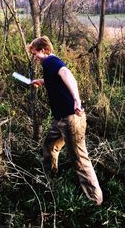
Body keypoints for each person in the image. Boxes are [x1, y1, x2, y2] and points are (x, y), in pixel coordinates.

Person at [29, 35, 103, 206]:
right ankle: (50, 179)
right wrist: (41, 81)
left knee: (79, 159)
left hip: (70, 120)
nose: (35, 57)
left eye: (35, 54)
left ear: (44, 50)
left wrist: (76, 99)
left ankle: (94, 201)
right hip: (60, 120)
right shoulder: (49, 64)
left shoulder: (50, 61)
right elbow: (56, 80)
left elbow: (66, 74)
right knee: (49, 146)